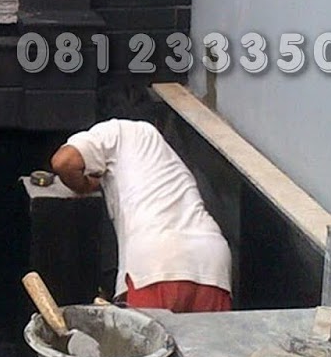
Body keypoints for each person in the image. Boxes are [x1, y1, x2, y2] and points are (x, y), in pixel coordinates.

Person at [50, 118, 233, 312]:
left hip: (157, 260)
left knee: (143, 332)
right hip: (212, 261)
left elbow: (65, 161)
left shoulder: (115, 131)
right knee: (207, 333)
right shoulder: (165, 160)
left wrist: (84, 186)